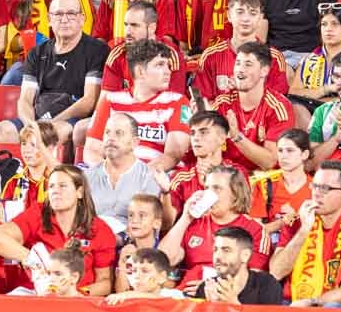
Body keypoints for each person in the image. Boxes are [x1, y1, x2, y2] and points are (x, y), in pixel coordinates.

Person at [0, 0, 109, 147]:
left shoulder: (97, 50)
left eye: (71, 14)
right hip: (39, 116)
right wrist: (31, 125)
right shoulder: (37, 53)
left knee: (56, 133)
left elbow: (88, 102)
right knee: (1, 131)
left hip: (71, 118)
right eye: (58, 14)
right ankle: (15, 171)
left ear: (82, 19)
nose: (64, 19)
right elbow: (25, 99)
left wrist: (50, 124)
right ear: (49, 19)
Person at [0, 164, 116, 296]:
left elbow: (105, 282)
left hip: (78, 301)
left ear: (79, 192)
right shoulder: (38, 214)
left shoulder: (100, 229)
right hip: (34, 295)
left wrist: (78, 293)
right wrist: (33, 258)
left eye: (62, 186)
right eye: (51, 186)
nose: (55, 191)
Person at [268, 159, 341, 307]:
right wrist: (304, 231)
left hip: (336, 308)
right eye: (315, 186)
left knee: (331, 307)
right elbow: (276, 272)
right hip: (292, 303)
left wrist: (312, 302)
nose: (316, 194)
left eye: (324, 188)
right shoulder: (295, 224)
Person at [159, 165, 269, 293]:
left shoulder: (255, 229)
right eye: (206, 188)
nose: (209, 194)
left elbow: (254, 279)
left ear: (235, 193)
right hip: (185, 295)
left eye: (216, 188)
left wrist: (212, 287)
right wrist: (185, 218)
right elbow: (164, 260)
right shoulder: (193, 223)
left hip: (225, 297)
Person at [86, 38, 191, 169]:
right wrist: (110, 175)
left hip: (156, 177)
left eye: (167, 65)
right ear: (140, 72)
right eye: (160, 65)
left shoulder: (180, 102)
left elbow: (173, 155)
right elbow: (91, 150)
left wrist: (137, 177)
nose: (168, 71)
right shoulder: (110, 101)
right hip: (110, 175)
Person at [210, 42, 296, 173]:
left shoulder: (278, 107)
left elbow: (271, 161)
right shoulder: (222, 104)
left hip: (264, 182)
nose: (240, 69)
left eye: (248, 64)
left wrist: (237, 137)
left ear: (264, 70)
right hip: (228, 177)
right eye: (238, 63)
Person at [83, 110, 165, 224]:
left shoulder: (148, 177)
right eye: (107, 132)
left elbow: (149, 226)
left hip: (131, 239)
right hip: (92, 238)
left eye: (119, 133)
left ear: (134, 142)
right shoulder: (87, 176)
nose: (111, 138)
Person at [164, 111, 242, 222]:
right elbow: (167, 224)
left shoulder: (237, 173)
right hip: (191, 237)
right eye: (192, 133)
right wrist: (165, 193)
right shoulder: (181, 177)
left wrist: (210, 183)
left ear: (222, 138)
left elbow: (241, 215)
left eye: (203, 132)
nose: (196, 138)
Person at [190, 225, 282, 305]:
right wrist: (212, 307)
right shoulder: (206, 288)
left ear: (245, 255)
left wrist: (233, 305)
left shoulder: (267, 285)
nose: (217, 256)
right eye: (215, 250)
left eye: (226, 250)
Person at [247, 130, 312, 235]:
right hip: (271, 247)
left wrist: (294, 219)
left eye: (290, 150)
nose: (284, 156)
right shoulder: (264, 185)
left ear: (304, 154)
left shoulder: (316, 188)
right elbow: (256, 231)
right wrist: (285, 221)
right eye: (280, 150)